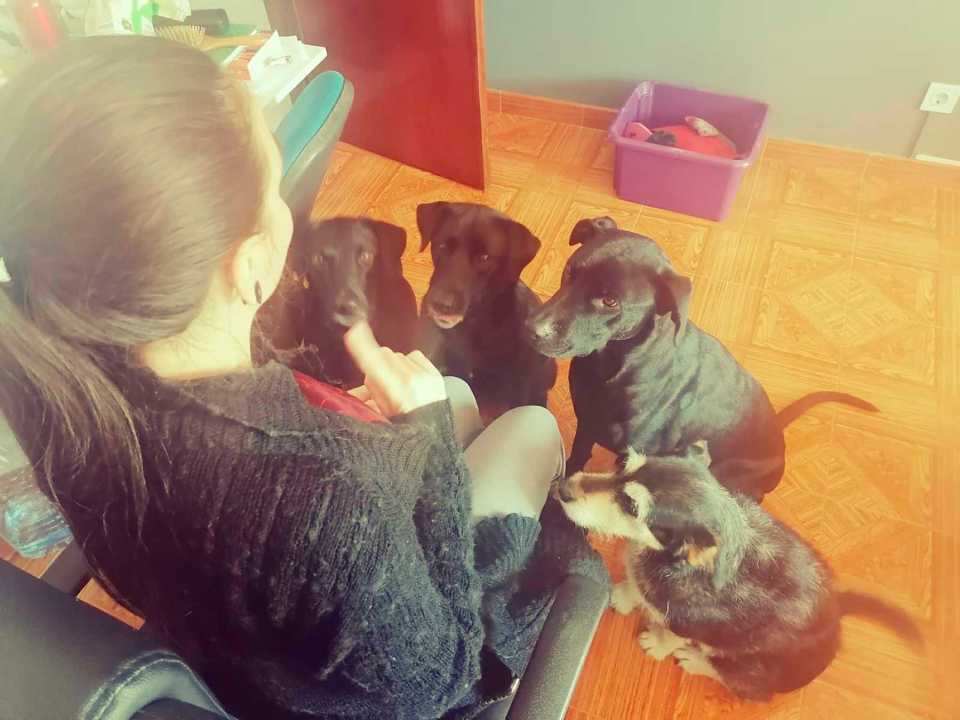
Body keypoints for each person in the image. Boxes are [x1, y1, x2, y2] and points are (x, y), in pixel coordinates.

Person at [0, 36, 607, 720]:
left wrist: (340, 417)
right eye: (274, 191)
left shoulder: (57, 391)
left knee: (460, 395)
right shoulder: (327, 501)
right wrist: (429, 437)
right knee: (532, 426)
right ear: (248, 266)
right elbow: (443, 676)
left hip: (239, 645)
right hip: (377, 685)